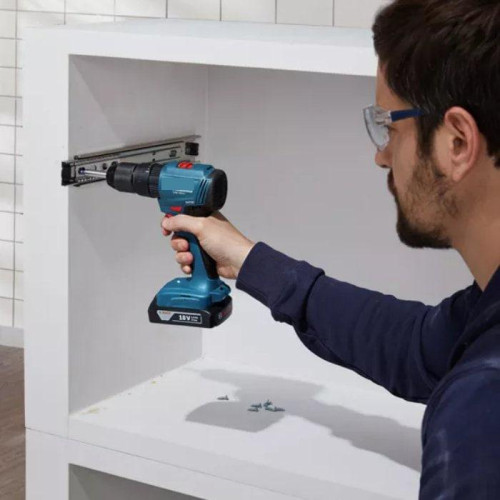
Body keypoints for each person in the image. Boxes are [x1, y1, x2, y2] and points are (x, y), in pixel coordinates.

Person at [161, 0, 500, 497]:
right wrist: (251, 261)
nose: (381, 155)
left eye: (389, 127)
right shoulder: (486, 316)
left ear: (457, 142)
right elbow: (417, 346)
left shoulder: (481, 408)